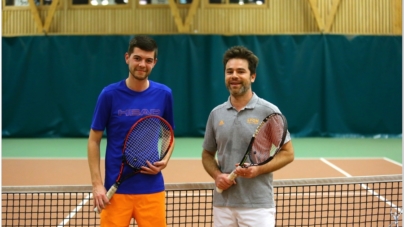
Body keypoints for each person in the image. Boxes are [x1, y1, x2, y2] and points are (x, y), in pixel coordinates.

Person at [201, 46, 294, 227]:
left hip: (257, 207)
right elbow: (207, 155)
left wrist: (258, 170)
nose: (234, 75)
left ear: (252, 76)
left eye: (240, 71)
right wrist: (217, 175)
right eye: (229, 71)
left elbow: (288, 153)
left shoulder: (269, 111)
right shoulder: (216, 114)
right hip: (223, 206)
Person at [87, 35, 175, 227]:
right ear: (127, 58)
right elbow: (94, 140)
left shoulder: (164, 94)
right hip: (115, 192)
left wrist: (165, 160)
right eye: (137, 58)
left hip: (152, 190)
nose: (142, 64)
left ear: (154, 63)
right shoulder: (109, 95)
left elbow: (169, 133)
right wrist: (97, 184)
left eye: (148, 60)